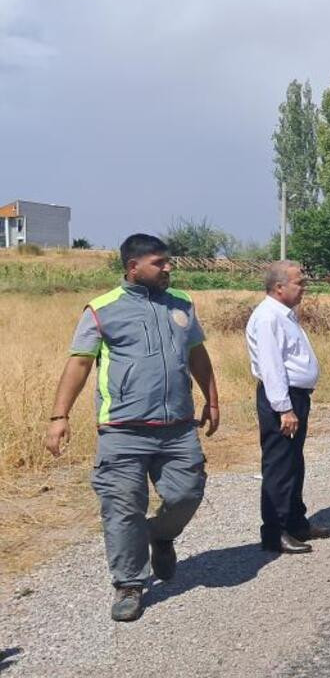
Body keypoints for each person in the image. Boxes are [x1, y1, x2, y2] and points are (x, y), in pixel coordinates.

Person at [45, 233, 219, 622]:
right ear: (133, 267)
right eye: (159, 263)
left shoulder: (182, 304)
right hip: (123, 430)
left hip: (177, 427)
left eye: (168, 261)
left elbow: (197, 353)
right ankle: (129, 584)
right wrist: (60, 417)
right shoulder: (101, 309)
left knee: (188, 493)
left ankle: (160, 535)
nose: (168, 268)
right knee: (122, 508)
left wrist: (212, 399)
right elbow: (79, 363)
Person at [246, 260, 330, 554]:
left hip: (294, 396)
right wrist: (284, 408)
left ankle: (296, 522)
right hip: (281, 399)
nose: (304, 288)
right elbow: (272, 367)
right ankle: (275, 532)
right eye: (299, 282)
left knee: (294, 462)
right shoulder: (268, 317)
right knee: (279, 466)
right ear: (279, 287)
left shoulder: (285, 315)